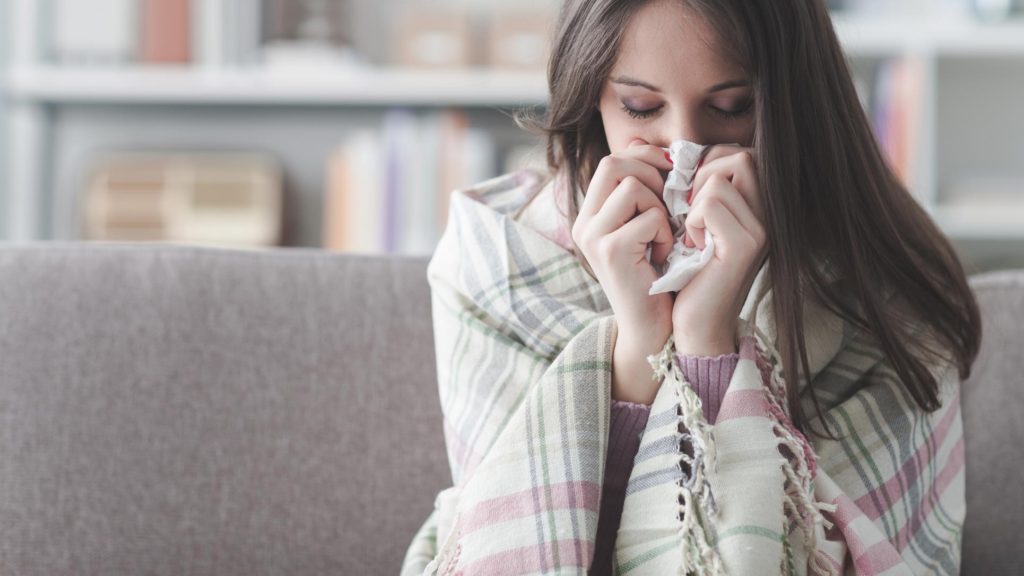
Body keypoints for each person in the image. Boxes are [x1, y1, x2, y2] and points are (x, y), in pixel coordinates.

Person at [402, 0, 981, 574]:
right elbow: (529, 544)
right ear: (591, 99)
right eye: (640, 106)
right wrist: (638, 346)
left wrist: (708, 339)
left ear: (794, 103)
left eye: (731, 108)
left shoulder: (879, 282)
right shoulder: (497, 257)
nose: (684, 150)